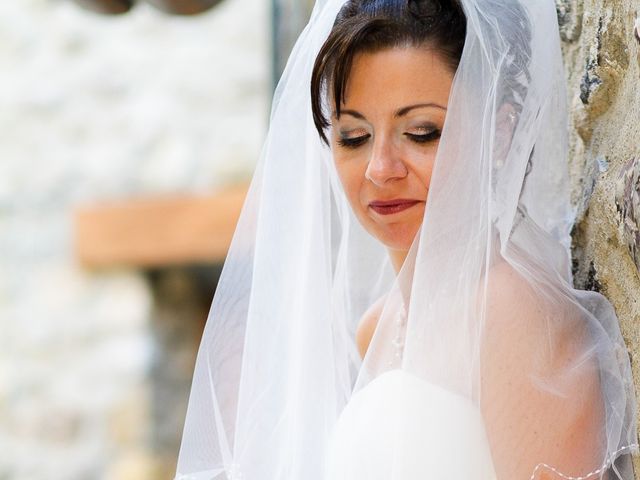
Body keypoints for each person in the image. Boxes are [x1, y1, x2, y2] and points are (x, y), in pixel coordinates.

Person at [174, 1, 638, 479]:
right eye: (354, 136)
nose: (380, 169)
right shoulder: (375, 327)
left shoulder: (511, 316)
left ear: (499, 132)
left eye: (420, 132)